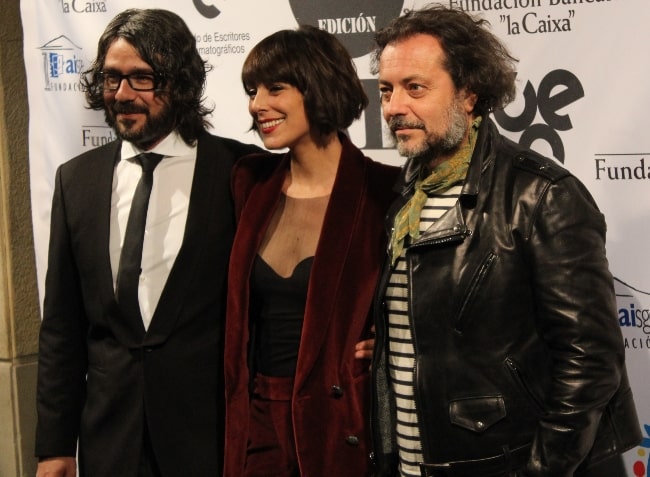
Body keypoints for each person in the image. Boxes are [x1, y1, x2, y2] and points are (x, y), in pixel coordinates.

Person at [369, 5, 641, 477]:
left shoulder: (540, 194)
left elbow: (591, 362)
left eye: (415, 87)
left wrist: (541, 469)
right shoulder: (404, 198)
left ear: (469, 94)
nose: (394, 107)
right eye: (386, 91)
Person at [34, 9, 261, 477]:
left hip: (210, 440)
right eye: (111, 79)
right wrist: (54, 448)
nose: (122, 95)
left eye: (141, 78)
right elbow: (62, 327)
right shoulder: (75, 180)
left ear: (180, 82)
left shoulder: (242, 173)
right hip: (109, 442)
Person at [222, 25, 400, 477]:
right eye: (252, 90)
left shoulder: (385, 191)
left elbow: (428, 297)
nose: (256, 104)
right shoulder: (249, 183)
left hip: (343, 423)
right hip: (258, 424)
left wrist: (398, 342)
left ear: (318, 85)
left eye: (275, 88)